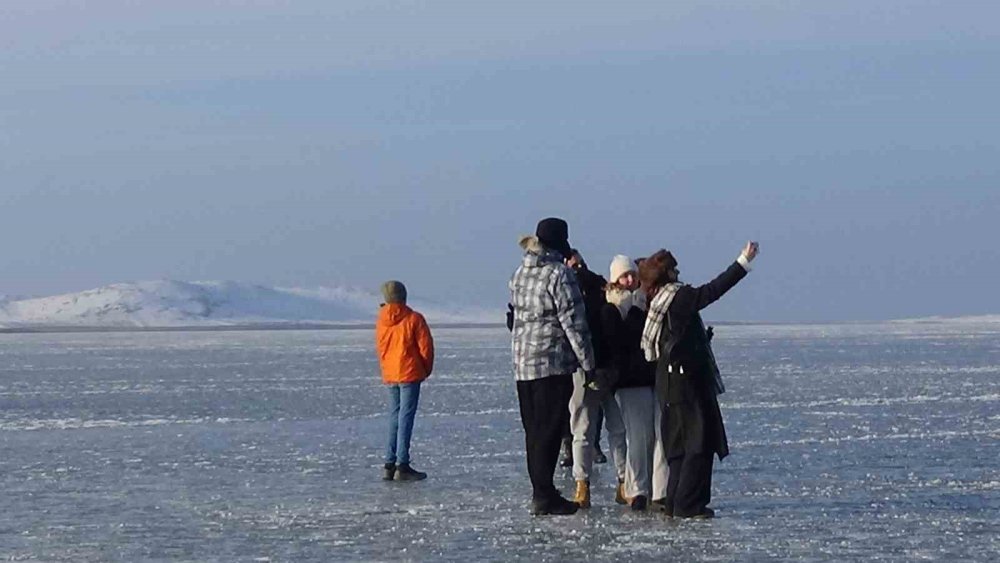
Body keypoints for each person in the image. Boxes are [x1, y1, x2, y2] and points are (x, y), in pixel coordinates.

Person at [638, 241, 759, 518]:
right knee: (698, 442)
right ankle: (688, 504)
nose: (679, 272)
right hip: (687, 382)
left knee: (678, 446)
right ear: (666, 273)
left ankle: (673, 502)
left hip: (668, 383)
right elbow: (713, 290)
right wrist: (743, 262)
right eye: (674, 268)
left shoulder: (657, 301)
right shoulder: (678, 298)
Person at [509, 218, 595, 516]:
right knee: (549, 429)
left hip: (523, 364)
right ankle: (545, 495)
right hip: (552, 363)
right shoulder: (559, 274)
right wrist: (588, 363)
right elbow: (574, 322)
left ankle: (540, 490)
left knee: (533, 430)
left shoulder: (520, 273)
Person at [601, 255, 666, 511]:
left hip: (650, 377)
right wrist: (637, 310)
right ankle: (636, 490)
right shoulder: (611, 308)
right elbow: (621, 341)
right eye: (623, 276)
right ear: (614, 280)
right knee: (637, 437)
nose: (629, 281)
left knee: (655, 436)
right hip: (629, 382)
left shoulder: (645, 303)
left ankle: (653, 488)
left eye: (632, 275)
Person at [564, 249, 627, 508]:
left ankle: (622, 482)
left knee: (612, 428)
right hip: (585, 370)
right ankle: (584, 484)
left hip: (602, 370)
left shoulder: (593, 289)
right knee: (585, 429)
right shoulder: (576, 289)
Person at [375, 280, 434, 482]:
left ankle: (389, 463)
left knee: (395, 417)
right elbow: (426, 349)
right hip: (409, 373)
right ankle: (402, 464)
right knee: (405, 418)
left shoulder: (382, 320)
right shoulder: (414, 319)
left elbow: (382, 349)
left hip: (391, 373)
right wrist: (424, 370)